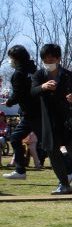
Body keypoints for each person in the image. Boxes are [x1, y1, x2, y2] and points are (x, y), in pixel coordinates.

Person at [30, 43, 72, 194]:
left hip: (68, 119)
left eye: (51, 58)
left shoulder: (68, 75)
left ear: (58, 59)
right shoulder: (39, 75)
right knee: (53, 152)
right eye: (45, 59)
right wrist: (43, 87)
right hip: (49, 120)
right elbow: (32, 92)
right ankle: (64, 184)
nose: (48, 62)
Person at [2, 45, 41, 180]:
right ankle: (20, 170)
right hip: (37, 111)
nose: (10, 61)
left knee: (49, 144)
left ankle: (69, 169)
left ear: (16, 59)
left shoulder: (18, 74)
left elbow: (18, 93)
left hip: (31, 113)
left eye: (11, 58)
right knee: (17, 138)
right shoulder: (34, 70)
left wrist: (9, 102)